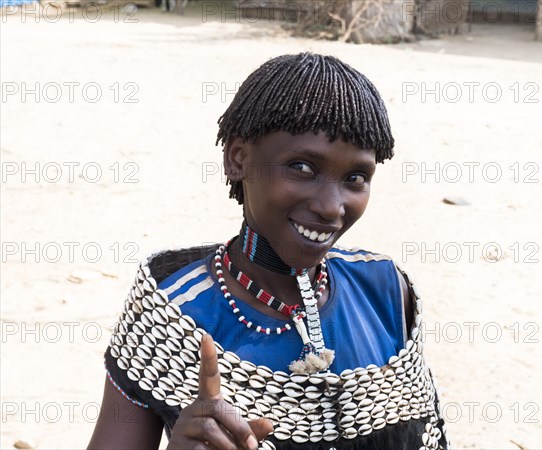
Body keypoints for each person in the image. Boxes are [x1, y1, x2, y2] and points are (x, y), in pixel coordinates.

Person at [88, 52, 449, 450]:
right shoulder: (171, 310)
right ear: (238, 159)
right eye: (302, 168)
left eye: (355, 177)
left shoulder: (383, 288)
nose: (332, 206)